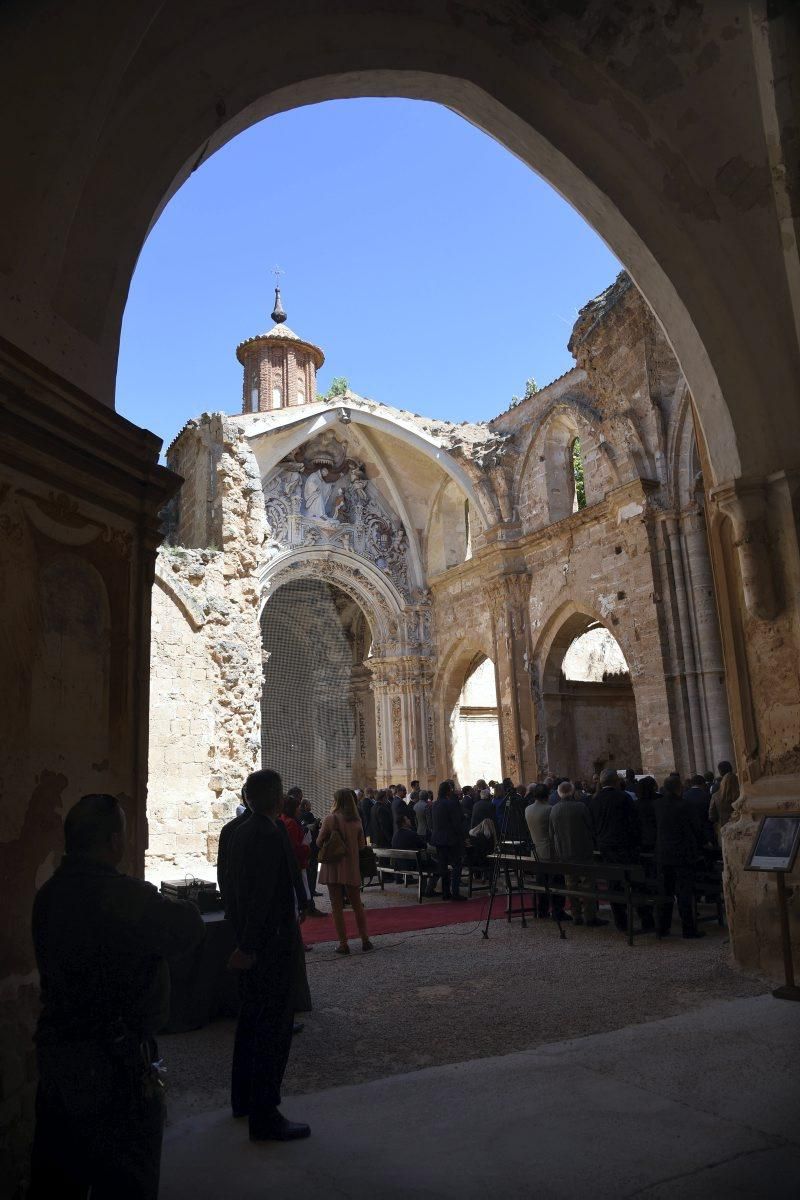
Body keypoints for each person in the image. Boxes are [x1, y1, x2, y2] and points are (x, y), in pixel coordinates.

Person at [30, 793, 204, 1198]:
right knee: (127, 1180)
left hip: (60, 1056)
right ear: (113, 842)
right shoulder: (125, 898)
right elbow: (189, 927)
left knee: (59, 1179)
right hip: (115, 1064)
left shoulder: (48, 895)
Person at [226, 769, 311, 1142]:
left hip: (255, 941)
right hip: (271, 946)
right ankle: (265, 1113)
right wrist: (250, 946)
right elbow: (262, 896)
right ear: (277, 799)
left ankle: (243, 1099)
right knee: (274, 1030)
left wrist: (240, 938)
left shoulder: (238, 831)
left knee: (250, 1023)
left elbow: (229, 887)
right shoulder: (268, 832)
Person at [589, 768, 650, 932]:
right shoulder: (622, 797)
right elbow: (634, 822)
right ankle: (645, 920)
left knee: (613, 883)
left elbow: (593, 824)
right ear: (616, 781)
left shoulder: (595, 800)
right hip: (625, 846)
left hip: (605, 846)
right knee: (635, 881)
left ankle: (621, 922)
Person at [317, 788, 374, 954]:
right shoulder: (356, 822)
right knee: (357, 905)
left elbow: (319, 842)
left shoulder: (330, 819)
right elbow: (362, 846)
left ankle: (343, 943)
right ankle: (365, 940)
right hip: (350, 865)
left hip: (333, 865)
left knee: (336, 906)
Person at [549, 781, 607, 927]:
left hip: (564, 853)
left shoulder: (554, 810)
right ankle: (590, 915)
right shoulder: (580, 807)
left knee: (571, 885)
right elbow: (590, 826)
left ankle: (576, 915)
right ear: (572, 792)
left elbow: (552, 833)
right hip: (583, 852)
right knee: (587, 884)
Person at [654, 776, 705, 939]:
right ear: (679, 788)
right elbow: (696, 828)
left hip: (663, 854)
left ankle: (663, 928)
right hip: (683, 854)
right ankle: (688, 930)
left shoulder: (658, 805)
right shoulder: (685, 805)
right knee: (684, 893)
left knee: (665, 892)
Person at [525, 783, 566, 920]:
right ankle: (557, 910)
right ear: (547, 795)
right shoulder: (550, 809)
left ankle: (542, 910)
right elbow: (556, 831)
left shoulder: (528, 809)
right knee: (557, 882)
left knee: (541, 882)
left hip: (536, 850)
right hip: (550, 850)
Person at [431, 780, 467, 901]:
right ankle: (455, 892)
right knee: (457, 865)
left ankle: (446, 892)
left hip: (438, 840)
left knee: (443, 867)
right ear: (448, 791)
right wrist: (462, 836)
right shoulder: (450, 804)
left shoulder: (435, 804)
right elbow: (456, 823)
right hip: (451, 839)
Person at [218, 785, 252, 906]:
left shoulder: (229, 828)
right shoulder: (276, 826)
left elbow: (222, 869)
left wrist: (226, 899)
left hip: (238, 898)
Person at [391, 814, 438, 896]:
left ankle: (425, 889)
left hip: (400, 864)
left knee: (425, 862)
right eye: (407, 819)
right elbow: (424, 846)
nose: (409, 820)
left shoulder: (395, 835)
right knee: (439, 866)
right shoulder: (411, 834)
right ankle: (429, 890)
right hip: (413, 864)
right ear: (404, 823)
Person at [709, 760, 740, 843]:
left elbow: (712, 816)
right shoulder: (743, 791)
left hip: (725, 829)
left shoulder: (716, 796)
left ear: (720, 772)